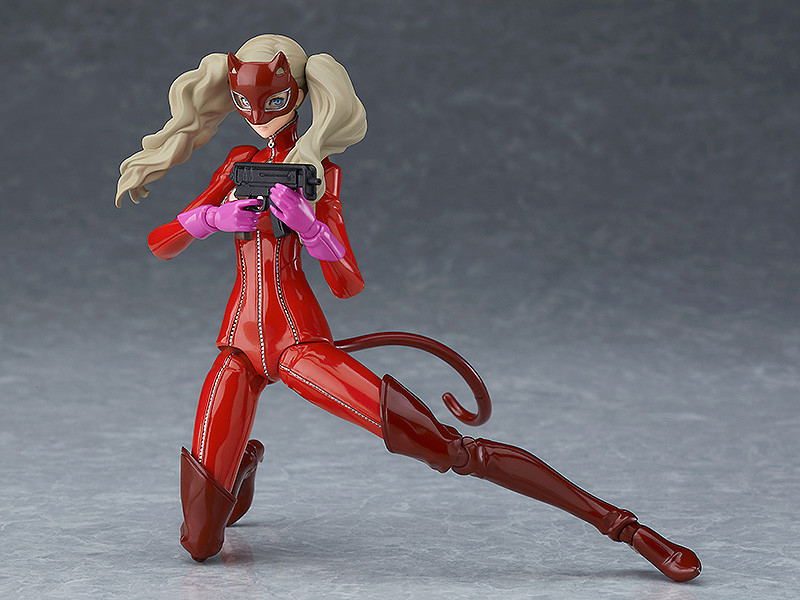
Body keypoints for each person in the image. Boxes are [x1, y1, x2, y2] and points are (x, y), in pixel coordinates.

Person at [115, 34, 701, 582]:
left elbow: (345, 283)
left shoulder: (321, 174)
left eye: (273, 100)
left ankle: (624, 527)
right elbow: (160, 243)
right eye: (245, 101)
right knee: (200, 545)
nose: (258, 113)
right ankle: (240, 463)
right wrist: (208, 218)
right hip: (239, 348)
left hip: (299, 346)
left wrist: (311, 227)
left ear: (300, 93)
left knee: (447, 448)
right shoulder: (238, 163)